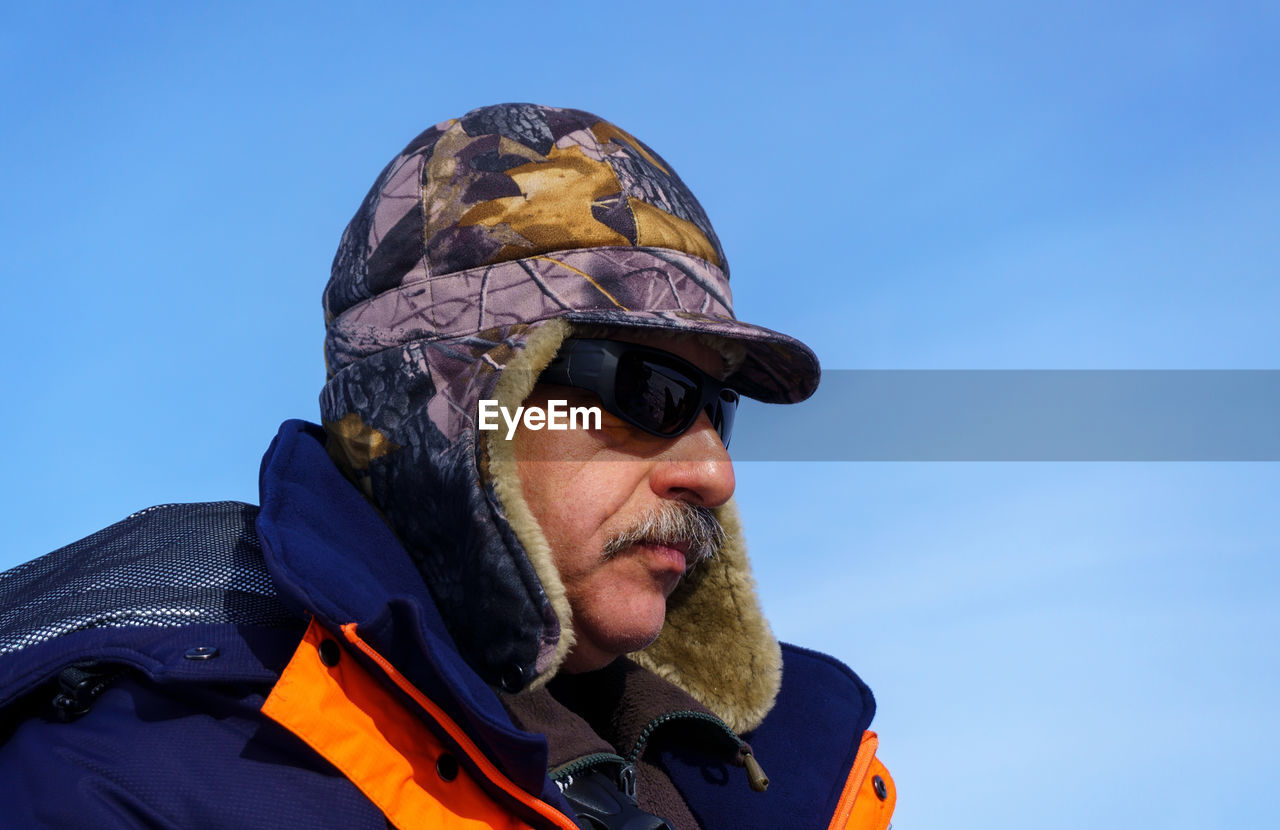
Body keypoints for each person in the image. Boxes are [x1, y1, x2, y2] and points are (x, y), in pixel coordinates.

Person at [0, 103, 895, 829]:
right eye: (648, 391)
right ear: (461, 402)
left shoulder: (784, 776)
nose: (712, 473)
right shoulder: (149, 772)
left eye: (715, 411)